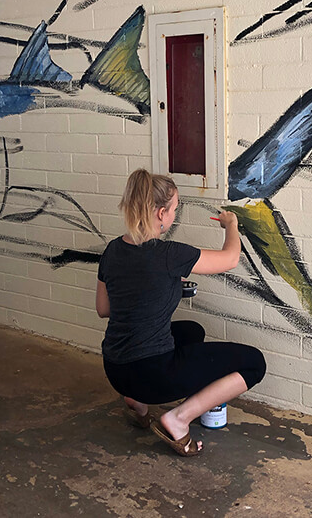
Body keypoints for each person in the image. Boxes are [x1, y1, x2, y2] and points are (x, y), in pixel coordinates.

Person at [96, 168, 266, 456]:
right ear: (161, 213)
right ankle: (178, 419)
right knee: (254, 364)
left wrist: (160, 287)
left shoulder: (113, 250)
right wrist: (231, 224)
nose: (175, 214)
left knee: (191, 331)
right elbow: (230, 259)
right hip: (153, 374)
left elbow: (104, 309)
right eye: (174, 209)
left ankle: (135, 403)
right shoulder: (169, 255)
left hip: (115, 369)